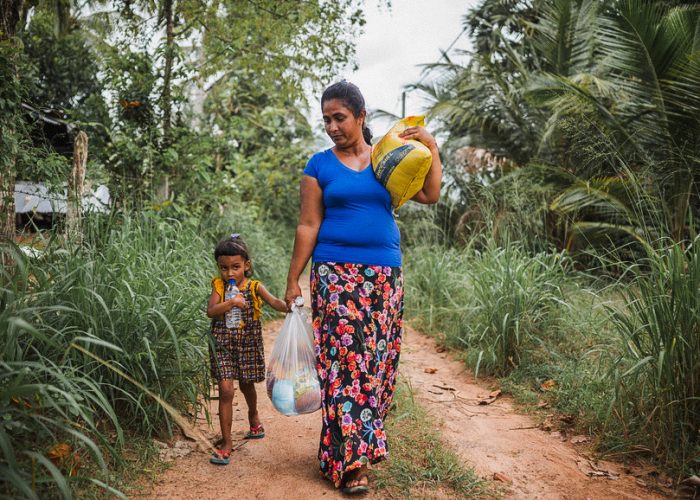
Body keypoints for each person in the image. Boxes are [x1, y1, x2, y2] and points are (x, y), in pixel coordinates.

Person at [284, 81, 442, 494]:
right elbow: (307, 224)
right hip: (335, 275)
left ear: (361, 116)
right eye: (327, 120)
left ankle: (338, 450)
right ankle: (353, 465)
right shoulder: (318, 165)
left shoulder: (388, 157)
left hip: (384, 276)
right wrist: (293, 280)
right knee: (345, 365)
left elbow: (429, 194)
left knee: (376, 365)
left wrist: (431, 144)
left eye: (340, 118)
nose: (333, 127)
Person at [207, 233, 288, 465]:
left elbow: (275, 303)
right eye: (224, 268)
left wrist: (291, 307)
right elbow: (211, 311)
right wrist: (232, 302)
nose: (229, 273)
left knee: (246, 384)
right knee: (226, 390)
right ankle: (227, 442)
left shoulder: (254, 287)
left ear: (246, 265)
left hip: (247, 345)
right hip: (222, 343)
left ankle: (253, 415)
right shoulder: (219, 286)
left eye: (235, 267)